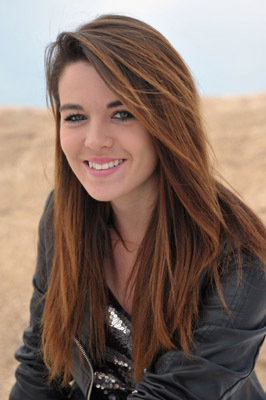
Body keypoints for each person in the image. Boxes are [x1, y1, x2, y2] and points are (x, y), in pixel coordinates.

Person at [10, 14, 266, 400]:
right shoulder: (64, 216)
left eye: (123, 113)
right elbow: (40, 365)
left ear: (167, 119)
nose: (95, 141)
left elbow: (176, 394)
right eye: (75, 116)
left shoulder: (240, 260)